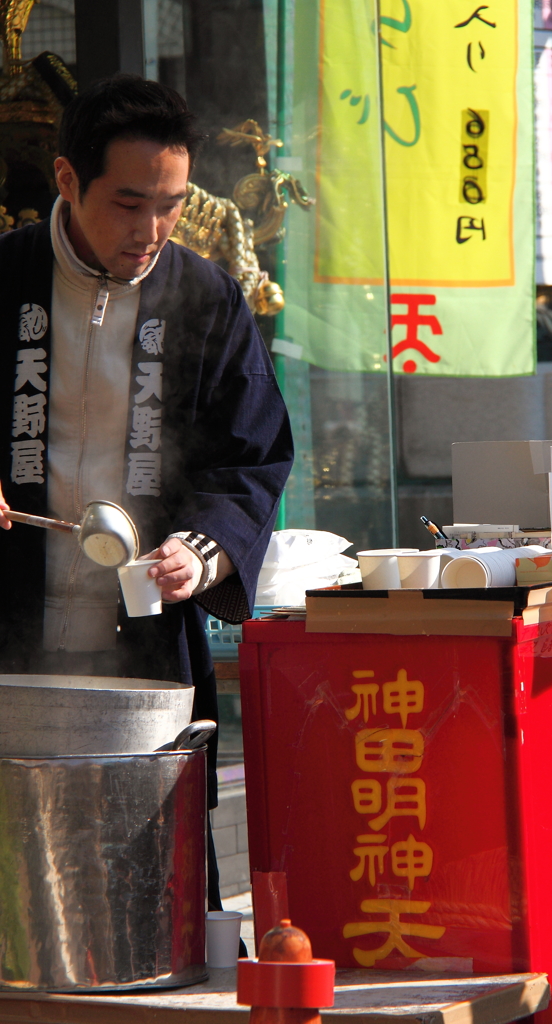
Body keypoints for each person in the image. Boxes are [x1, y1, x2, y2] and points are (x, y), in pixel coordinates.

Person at [0, 75, 293, 909]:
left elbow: (252, 456)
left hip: (143, 652)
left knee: (144, 898)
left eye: (169, 204)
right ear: (66, 180)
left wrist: (200, 555)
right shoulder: (5, 279)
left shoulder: (204, 296)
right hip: (9, 639)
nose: (152, 229)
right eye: (130, 204)